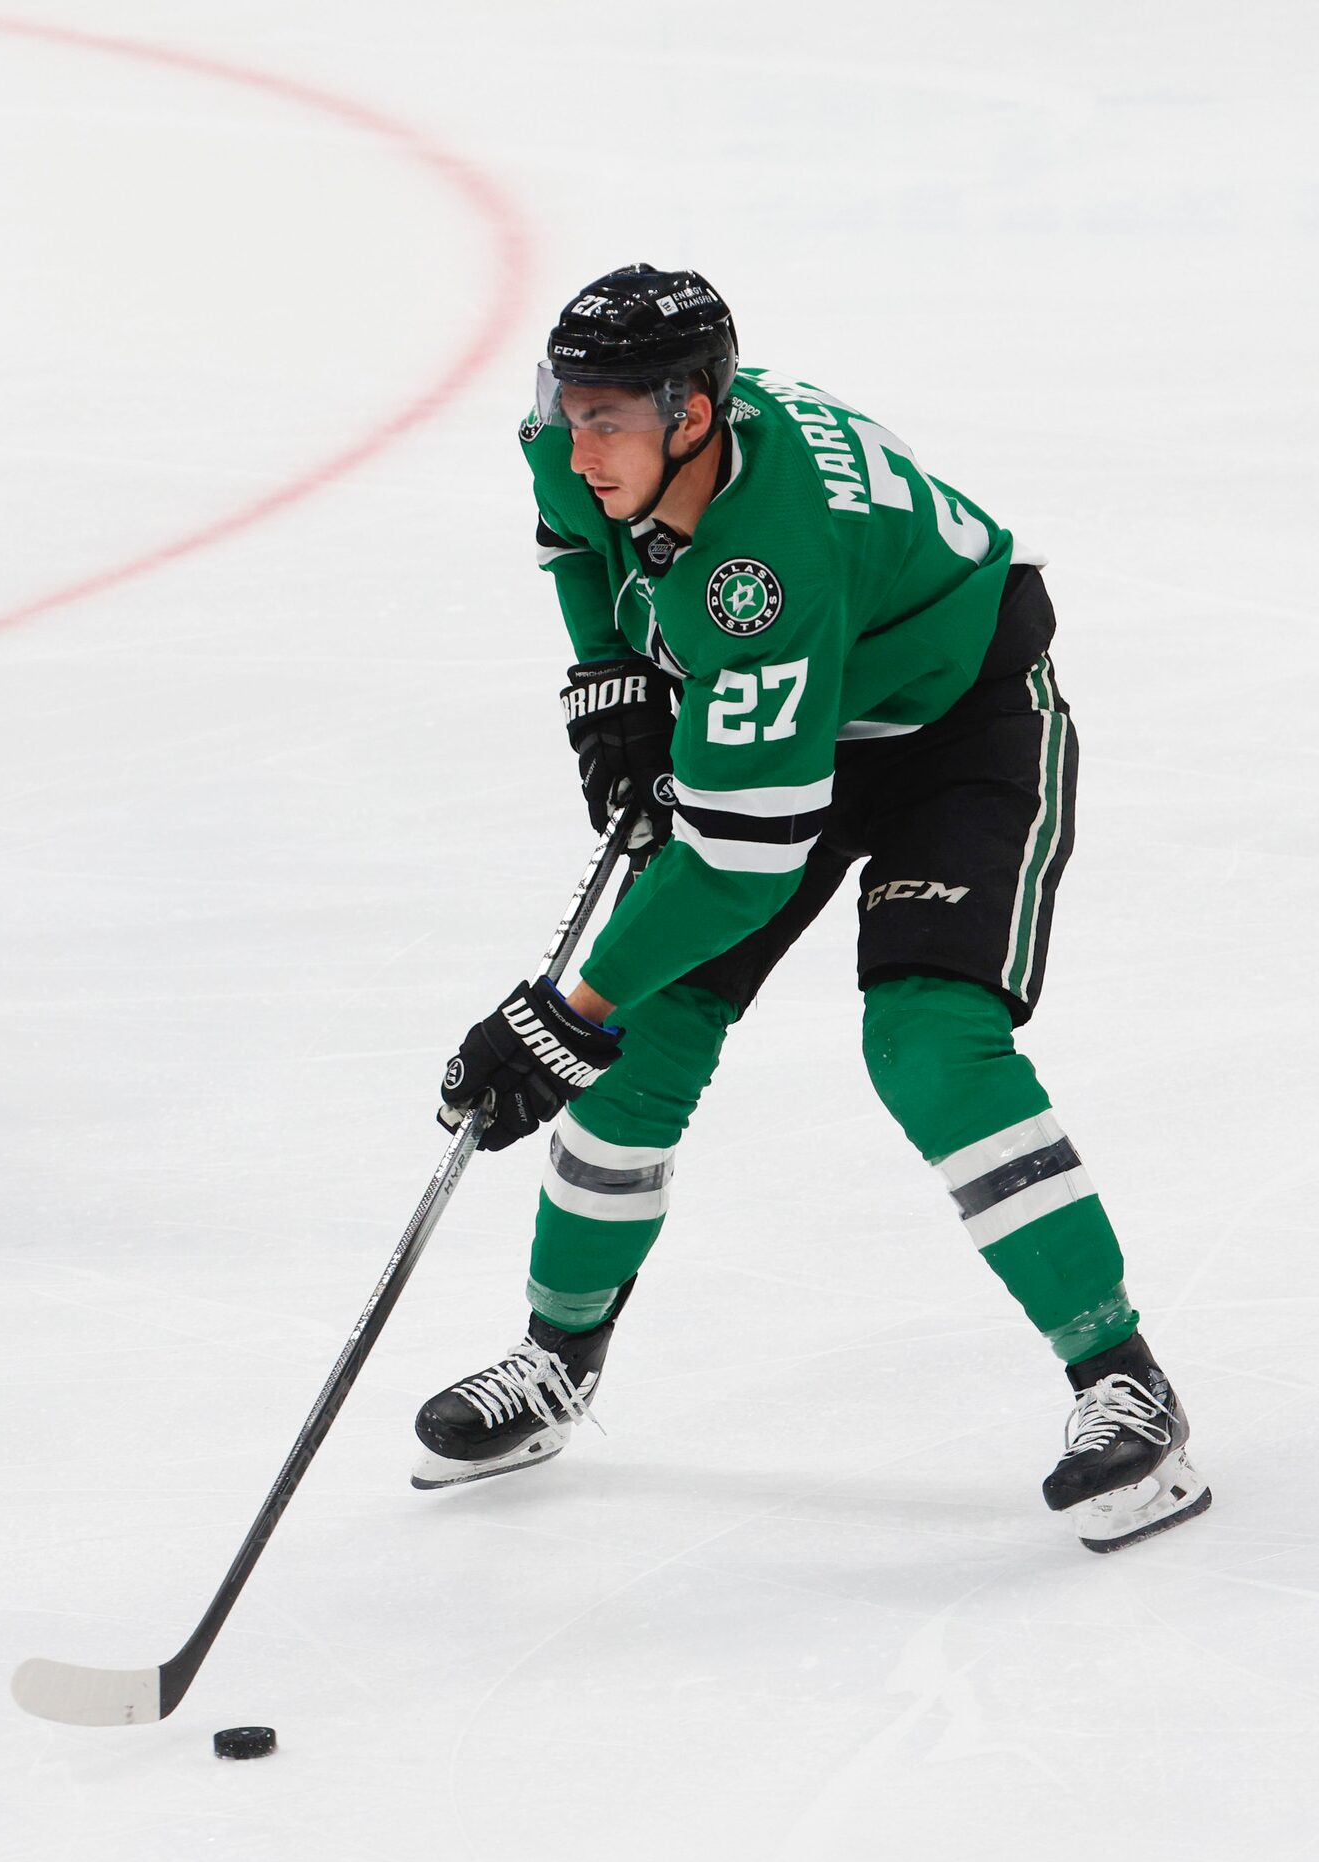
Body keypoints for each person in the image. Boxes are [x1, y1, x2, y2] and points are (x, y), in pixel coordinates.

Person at [419, 265, 1208, 1552]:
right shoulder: (569, 436)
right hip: (784, 711)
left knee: (924, 1041)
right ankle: (557, 1359)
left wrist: (563, 1011)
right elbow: (574, 538)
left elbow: (741, 860)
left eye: (607, 419)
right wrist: (610, 670)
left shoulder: (764, 564)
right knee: (646, 1037)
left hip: (954, 722)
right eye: (569, 408)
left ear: (692, 414)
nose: (577, 439)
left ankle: (1122, 1384)